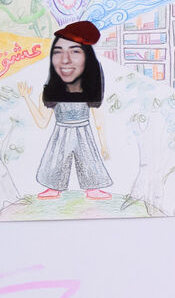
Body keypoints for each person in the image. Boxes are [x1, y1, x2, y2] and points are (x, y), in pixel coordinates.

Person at [16, 19, 114, 200]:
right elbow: (42, 122)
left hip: (84, 132)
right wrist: (26, 97)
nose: (66, 59)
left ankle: (93, 187)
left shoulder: (90, 90)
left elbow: (98, 120)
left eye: (75, 52)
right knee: (55, 159)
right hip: (60, 133)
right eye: (58, 52)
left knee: (89, 157)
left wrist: (103, 144)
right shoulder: (50, 90)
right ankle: (53, 187)